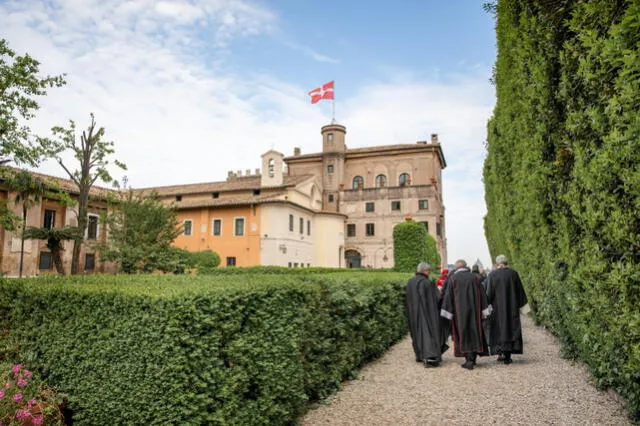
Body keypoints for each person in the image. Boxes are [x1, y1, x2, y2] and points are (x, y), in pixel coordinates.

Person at [440, 259, 490, 370]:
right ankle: (473, 358)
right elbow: (482, 294)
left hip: (460, 313)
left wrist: (447, 311)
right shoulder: (475, 278)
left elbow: (448, 296)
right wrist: (484, 309)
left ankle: (468, 360)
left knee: (463, 334)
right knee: (474, 332)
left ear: (457, 268)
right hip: (475, 311)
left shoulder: (453, 279)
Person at [485, 255, 528, 364]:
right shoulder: (513, 274)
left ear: (497, 263)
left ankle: (500, 353)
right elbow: (520, 291)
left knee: (498, 330)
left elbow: (489, 293)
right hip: (512, 307)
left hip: (497, 308)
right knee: (511, 328)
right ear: (506, 262)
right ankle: (508, 355)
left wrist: (486, 306)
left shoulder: (493, 274)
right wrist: (523, 308)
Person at [406, 262, 448, 367]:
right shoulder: (427, 283)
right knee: (428, 333)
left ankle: (419, 355)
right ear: (426, 271)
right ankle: (430, 358)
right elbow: (437, 299)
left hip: (413, 313)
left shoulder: (410, 282)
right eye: (429, 271)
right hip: (427, 313)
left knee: (416, 333)